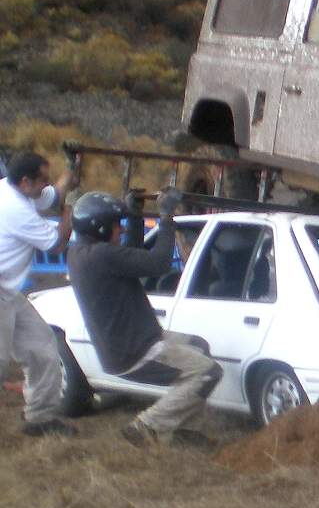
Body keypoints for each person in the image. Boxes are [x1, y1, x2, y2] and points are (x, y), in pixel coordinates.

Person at [67, 188, 222, 447]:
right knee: (208, 372)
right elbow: (158, 263)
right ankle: (147, 425)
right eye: (118, 226)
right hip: (137, 351)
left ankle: (177, 430)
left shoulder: (82, 253)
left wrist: (136, 217)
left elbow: (131, 257)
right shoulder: (102, 255)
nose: (122, 230)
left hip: (133, 344)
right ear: (102, 229)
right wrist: (165, 216)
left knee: (199, 347)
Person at [0, 151, 79, 437]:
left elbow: (52, 195)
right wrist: (68, 213)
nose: (47, 184)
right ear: (25, 182)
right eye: (42, 179)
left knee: (42, 347)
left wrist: (70, 172)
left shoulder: (19, 191)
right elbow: (57, 244)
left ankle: (40, 418)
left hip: (8, 292)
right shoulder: (14, 209)